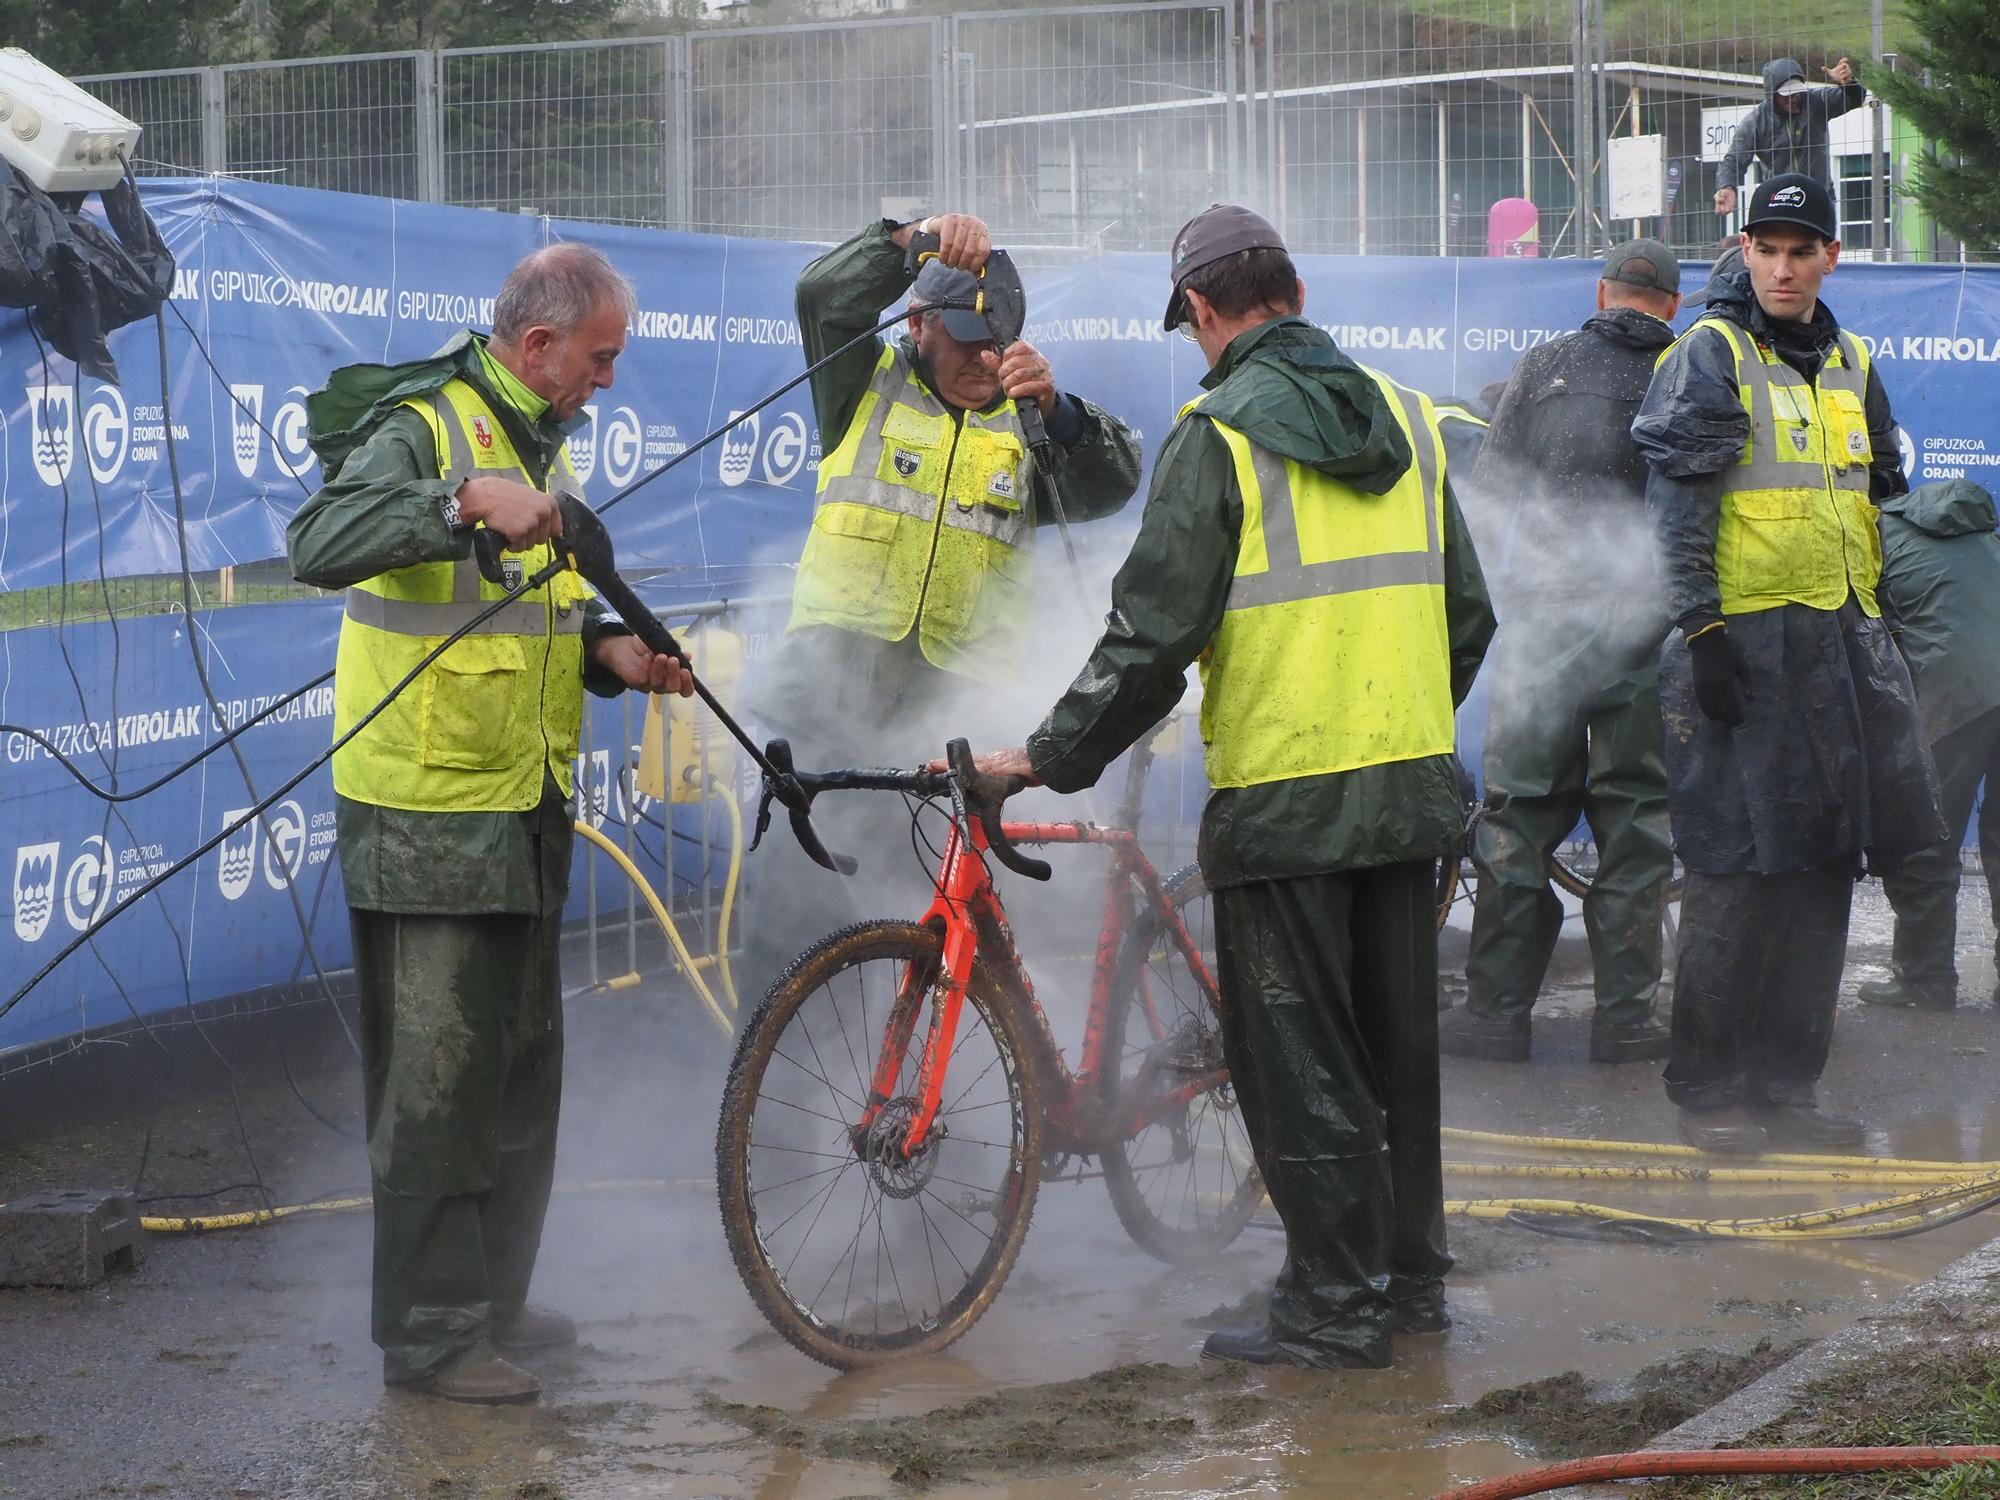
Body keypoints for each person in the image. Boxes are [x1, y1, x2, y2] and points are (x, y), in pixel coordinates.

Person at [956, 204, 1495, 1368]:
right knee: (1396, 1052)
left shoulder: (1215, 434)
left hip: (1287, 805)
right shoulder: (1405, 414)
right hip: (1406, 793)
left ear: (1202, 311)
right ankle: (1406, 1291)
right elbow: (1467, 618)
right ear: (1292, 293)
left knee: (1300, 1064)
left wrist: (1044, 757)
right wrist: (1392, 717)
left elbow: (1149, 642)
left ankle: (1330, 1310)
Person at [287, 244, 692, 1405]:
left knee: (516, 1079)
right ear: (537, 346)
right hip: (424, 814)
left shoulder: (537, 446)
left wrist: (609, 654)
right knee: (438, 1092)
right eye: (599, 357)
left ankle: (493, 1305)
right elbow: (317, 541)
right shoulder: (432, 429)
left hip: (519, 809)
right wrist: (461, 499)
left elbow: (523, 624)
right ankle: (432, 1336)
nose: (606, 379)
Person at [1632, 174, 1943, 1153]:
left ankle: (1784, 1090)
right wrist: (1698, 632)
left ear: (1826, 260)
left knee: (1817, 871)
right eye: (1763, 246)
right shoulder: (1707, 355)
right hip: (1736, 657)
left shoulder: (1851, 362)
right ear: (1740, 251)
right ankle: (1709, 1093)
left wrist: (1882, 638)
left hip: (1837, 653)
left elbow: (1874, 508)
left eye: (1798, 248)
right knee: (1733, 873)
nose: (1779, 265)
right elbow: (1675, 513)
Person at [754, 210, 1141, 767]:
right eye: (966, 339)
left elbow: (1114, 484)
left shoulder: (1031, 420)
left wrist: (1058, 413)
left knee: (930, 858)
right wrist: (908, 239)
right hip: (822, 702)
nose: (986, 358)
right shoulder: (863, 381)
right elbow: (821, 294)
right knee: (804, 853)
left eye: (996, 340)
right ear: (918, 323)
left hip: (961, 717)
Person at [1440, 239, 1682, 1065]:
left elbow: (1492, 493)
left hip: (1543, 625)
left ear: (1602, 291)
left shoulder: (1542, 366)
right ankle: (1623, 1022)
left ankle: (1496, 1015)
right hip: (1644, 629)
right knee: (1637, 827)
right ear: (1672, 306)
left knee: (1517, 820)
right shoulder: (1689, 370)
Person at [1857, 479, 2000, 1012]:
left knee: (1928, 835)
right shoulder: (1980, 532)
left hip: (1957, 690)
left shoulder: (1873, 534)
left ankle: (1925, 979)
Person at [1713, 58, 1865, 218]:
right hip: (1780, 203)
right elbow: (1733, 161)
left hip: (1819, 198)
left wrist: (1848, 84)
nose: (1794, 98)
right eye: (1787, 94)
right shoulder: (1756, 122)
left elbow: (1854, 100)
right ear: (1772, 95)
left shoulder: (1816, 102)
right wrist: (1727, 187)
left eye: (1797, 92)